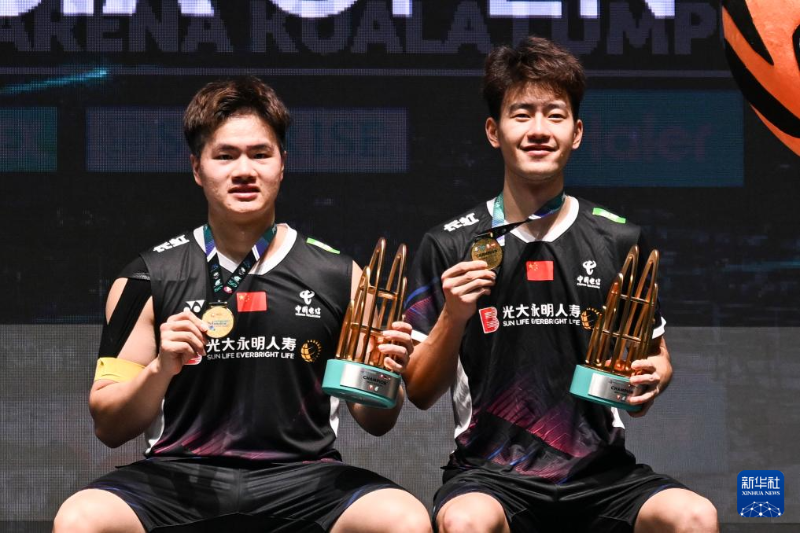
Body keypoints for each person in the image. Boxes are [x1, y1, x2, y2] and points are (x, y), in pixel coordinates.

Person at [53, 76, 432, 533]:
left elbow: (376, 421)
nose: (244, 170)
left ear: (282, 164)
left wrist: (383, 378)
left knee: (405, 519)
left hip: (304, 478)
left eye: (260, 154)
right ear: (197, 168)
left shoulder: (342, 276)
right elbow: (109, 426)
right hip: (178, 477)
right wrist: (160, 368)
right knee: (79, 518)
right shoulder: (145, 279)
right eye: (225, 155)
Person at [402, 37, 718, 533]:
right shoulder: (450, 244)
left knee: (695, 516)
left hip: (603, 476)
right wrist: (454, 315)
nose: (539, 130)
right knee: (465, 522)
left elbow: (657, 357)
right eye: (521, 114)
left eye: (555, 115)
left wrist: (653, 378)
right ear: (494, 131)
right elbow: (419, 391)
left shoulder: (620, 240)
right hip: (490, 476)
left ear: (577, 133)